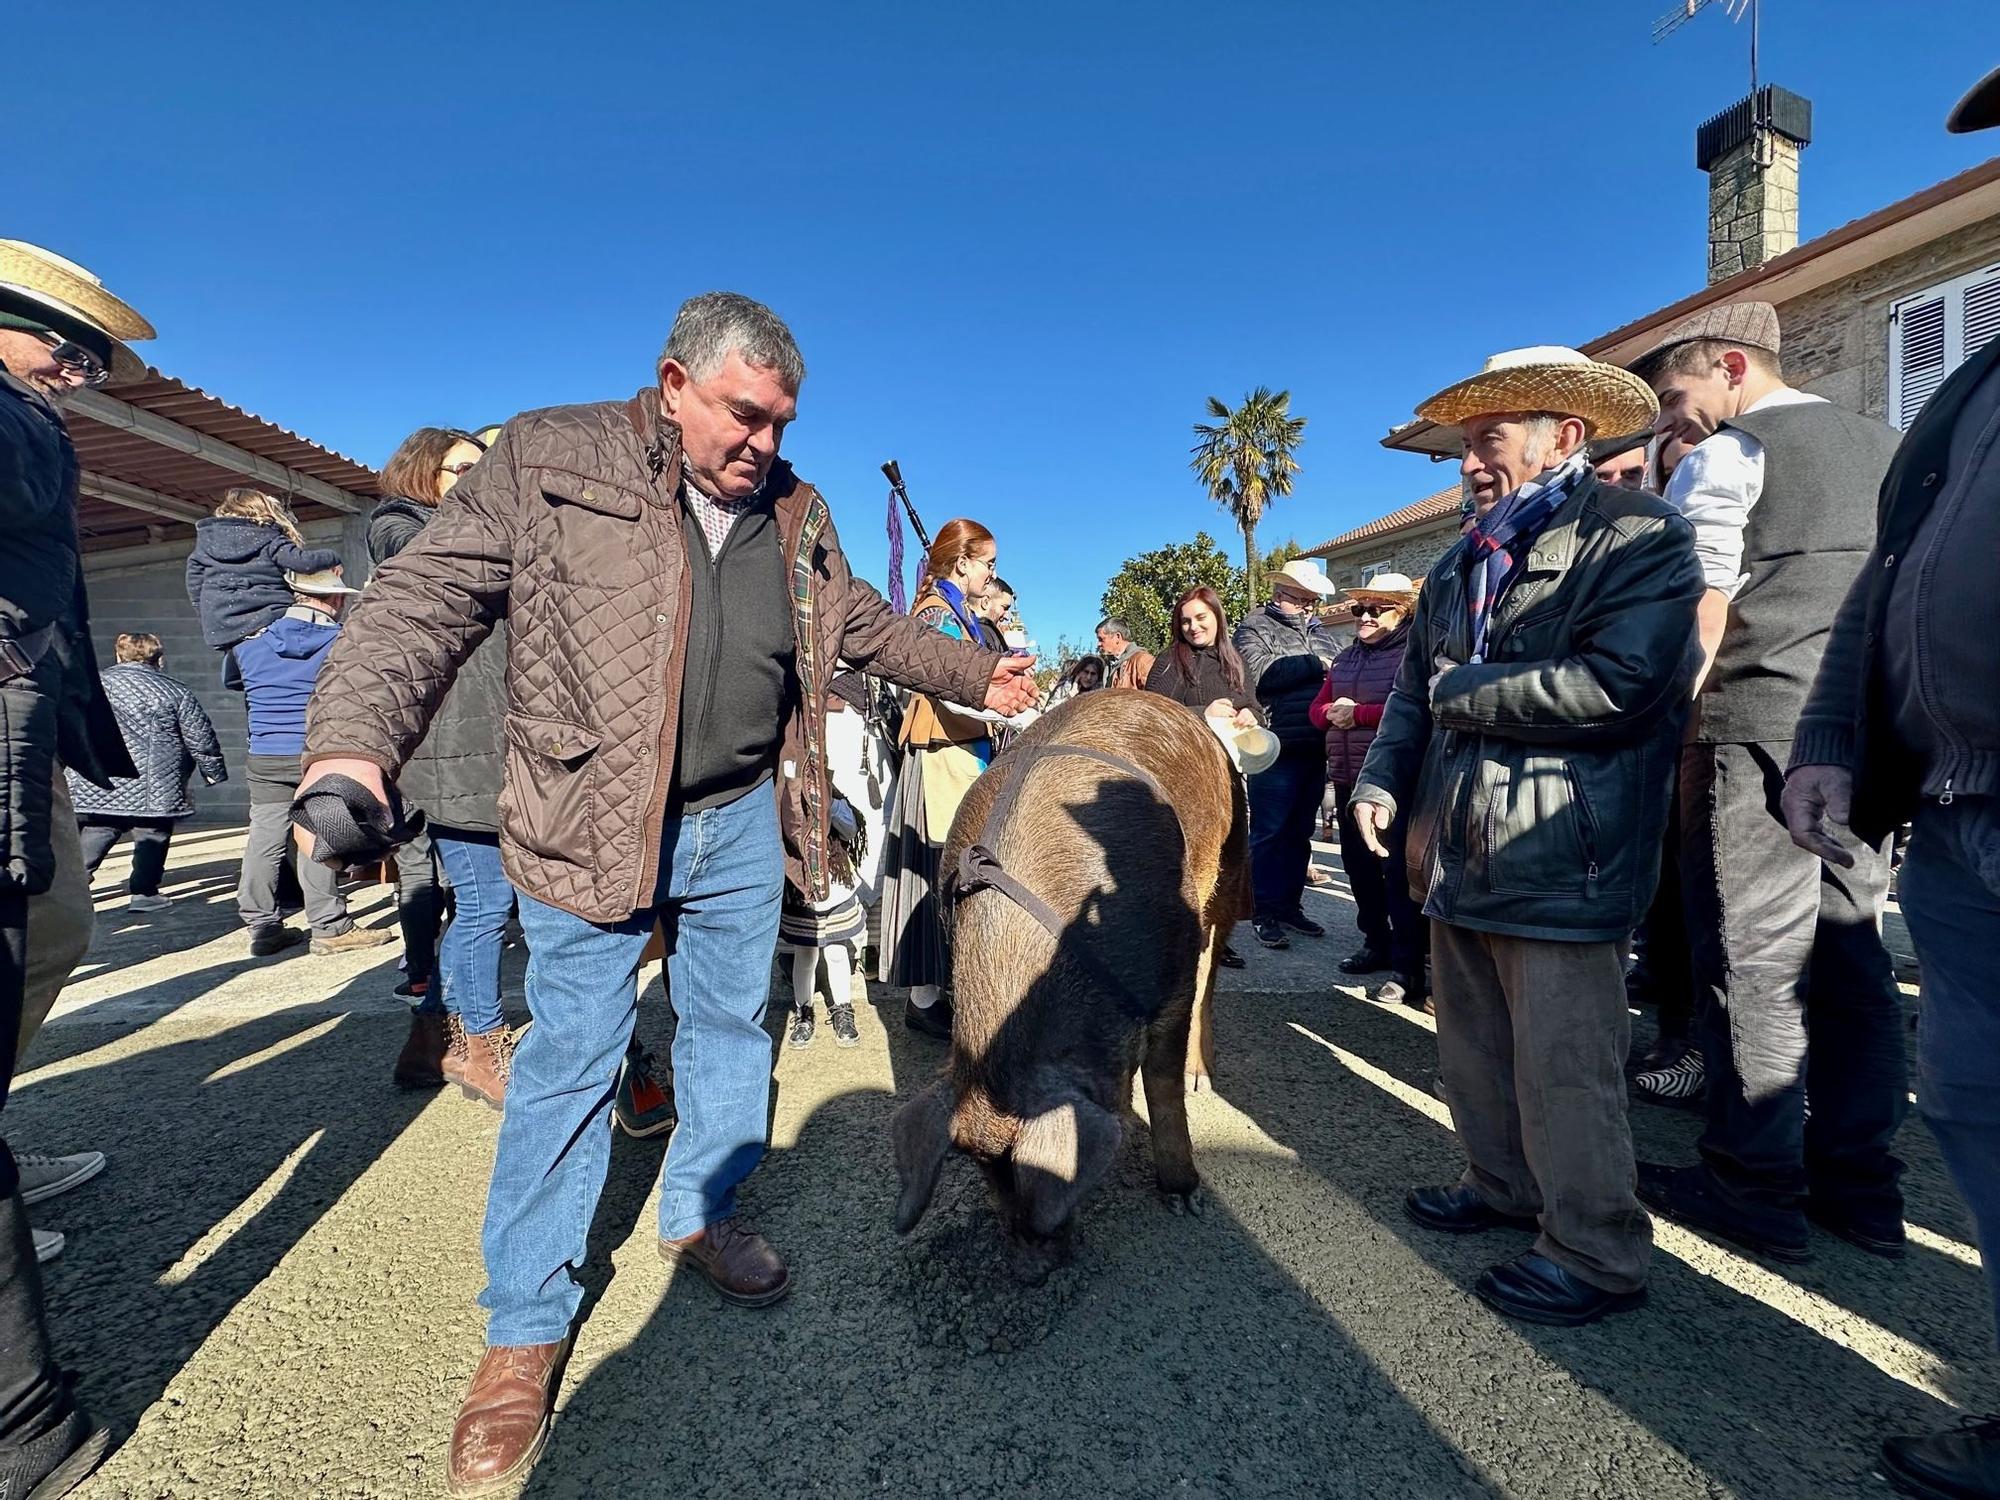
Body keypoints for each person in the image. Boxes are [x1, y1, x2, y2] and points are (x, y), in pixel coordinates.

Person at [294, 292, 1036, 1495]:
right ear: (673, 380)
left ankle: (699, 1212)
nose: (763, 444)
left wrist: (975, 673)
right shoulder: (550, 455)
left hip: (744, 812)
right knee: (575, 1051)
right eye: (744, 416)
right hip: (589, 811)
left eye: (782, 423)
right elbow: (424, 600)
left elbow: (853, 622)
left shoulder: (799, 508)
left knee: (732, 1027)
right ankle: (523, 1327)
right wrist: (351, 743)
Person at [1351, 346, 1701, 1327]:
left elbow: (1619, 688)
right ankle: (1500, 1187)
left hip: (1563, 854)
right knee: (1471, 1054)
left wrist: (1465, 690)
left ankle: (1594, 1252)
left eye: (1487, 439)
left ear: (1565, 436)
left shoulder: (1638, 535)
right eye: (1464, 446)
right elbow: (1411, 704)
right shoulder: (1460, 559)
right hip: (1459, 855)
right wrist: (1381, 777)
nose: (1468, 463)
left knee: (1565, 1070)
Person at [1781, 64, 2000, 1500]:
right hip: (1961, 802)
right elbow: (1895, 572)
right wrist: (1834, 740)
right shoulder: (1976, 382)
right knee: (1974, 1102)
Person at [1630, 301, 1908, 1267]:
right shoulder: (1889, 445)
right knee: (1852, 953)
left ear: (1733, 367)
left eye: (1678, 396)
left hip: (1754, 726)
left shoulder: (1733, 453)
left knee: (1751, 958)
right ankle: (1862, 1186)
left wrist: (1670, 723)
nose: (1673, 421)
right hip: (1867, 738)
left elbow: (1705, 600)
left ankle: (1752, 1186)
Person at [0, 236, 155, 1498]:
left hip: (29, 721)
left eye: (96, 357)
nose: (83, 372)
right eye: (67, 344)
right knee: (31, 938)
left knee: (52, 939)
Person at [880, 519, 1011, 1038]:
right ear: (963, 563)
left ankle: (944, 987)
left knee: (957, 866)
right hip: (942, 754)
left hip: (962, 751)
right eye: (988, 564)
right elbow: (941, 685)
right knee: (938, 866)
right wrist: (998, 712)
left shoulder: (959, 614)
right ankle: (926, 996)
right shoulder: (937, 613)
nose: (992, 574)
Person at [231, 568, 393, 958]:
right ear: (335, 600)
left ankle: (261, 924)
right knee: (318, 832)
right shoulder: (341, 643)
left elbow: (236, 683)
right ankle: (329, 926)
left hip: (266, 753)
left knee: (265, 838)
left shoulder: (248, 645)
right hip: (317, 751)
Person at [1310, 574, 1426, 1010]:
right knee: (1358, 869)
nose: (1366, 616)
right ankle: (1374, 942)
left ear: (1402, 614)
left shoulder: (1413, 656)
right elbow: (1316, 712)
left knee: (1398, 875)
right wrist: (1336, 713)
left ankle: (1407, 967)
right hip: (1346, 778)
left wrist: (1357, 715)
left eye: (1378, 609)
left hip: (1393, 784)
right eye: (1361, 609)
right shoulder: (1343, 660)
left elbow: (1414, 711)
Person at [66, 632, 227, 911]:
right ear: (159, 659)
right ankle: (144, 894)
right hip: (157, 782)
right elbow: (200, 738)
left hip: (102, 778)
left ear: (118, 655)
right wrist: (213, 772)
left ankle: (73, 891)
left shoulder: (94, 686)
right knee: (152, 833)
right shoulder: (175, 691)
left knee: (99, 828)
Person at [1145, 584, 1261, 969]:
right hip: (1180, 780)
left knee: (1228, 858)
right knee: (1182, 860)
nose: (1193, 627)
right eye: (1186, 621)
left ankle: (1217, 937)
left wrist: (1252, 717)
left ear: (1217, 619)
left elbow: (1254, 706)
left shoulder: (1235, 659)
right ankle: (1174, 935)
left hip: (1228, 776)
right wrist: (1201, 715)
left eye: (1201, 618)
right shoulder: (1166, 662)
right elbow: (1152, 717)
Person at [1234, 558, 1341, 950]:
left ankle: (1290, 906)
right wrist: (1316, 664)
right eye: (1303, 599)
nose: (1310, 607)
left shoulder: (1321, 632)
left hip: (1314, 745)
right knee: (1269, 832)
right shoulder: (1254, 627)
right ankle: (1263, 911)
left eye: (1313, 601)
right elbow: (1259, 673)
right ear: (1282, 595)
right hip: (1275, 746)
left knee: (1300, 832)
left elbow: (1339, 670)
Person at [779, 678, 873, 1050]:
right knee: (805, 953)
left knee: (836, 950)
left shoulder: (835, 797)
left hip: (833, 884)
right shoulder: (785, 803)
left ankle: (843, 1008)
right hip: (802, 886)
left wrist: (831, 806)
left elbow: (850, 831)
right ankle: (803, 1011)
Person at [184, 488, 342, 651]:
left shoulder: (205, 543)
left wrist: (208, 613)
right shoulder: (270, 537)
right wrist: (332, 557)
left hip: (223, 628)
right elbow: (303, 563)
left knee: (238, 671)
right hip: (267, 620)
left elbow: (194, 583)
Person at [1095, 616, 1155, 690]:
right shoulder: (1109, 666)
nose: (1098, 644)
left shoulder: (1142, 660)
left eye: (1101, 639)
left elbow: (1157, 697)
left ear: (1117, 637)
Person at [1045, 652, 1109, 706]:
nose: (1088, 677)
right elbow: (1048, 710)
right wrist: (1070, 696)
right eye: (1086, 672)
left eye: (1093, 674)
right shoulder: (1063, 689)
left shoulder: (1101, 695)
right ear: (1079, 672)